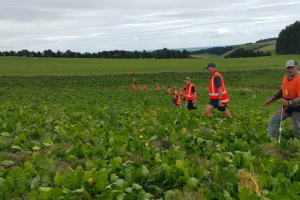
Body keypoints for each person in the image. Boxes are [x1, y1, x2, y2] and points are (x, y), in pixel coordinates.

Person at [265, 60, 300, 139]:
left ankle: (298, 147)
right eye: (288, 68)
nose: (290, 70)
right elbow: (282, 90)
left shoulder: (299, 78)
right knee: (274, 120)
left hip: (298, 108)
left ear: (296, 67)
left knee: (297, 129)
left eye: (292, 67)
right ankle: (271, 141)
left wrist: (289, 103)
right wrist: (272, 98)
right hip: (286, 107)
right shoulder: (285, 77)